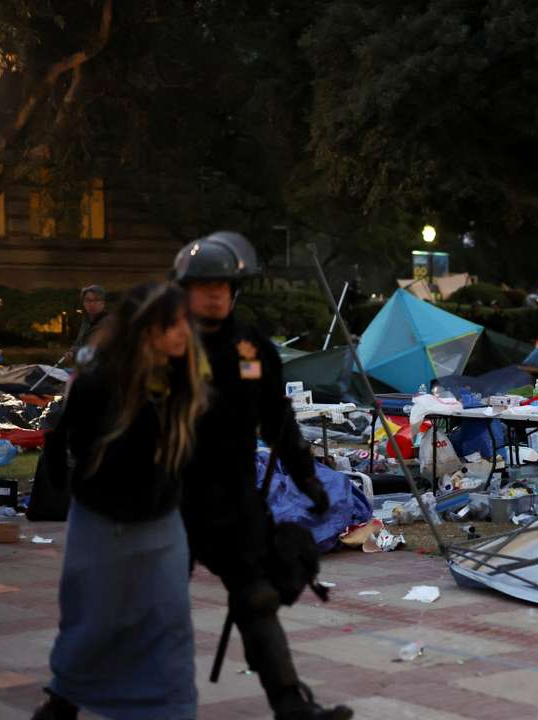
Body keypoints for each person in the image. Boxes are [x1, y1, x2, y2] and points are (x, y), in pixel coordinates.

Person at [172, 232, 350, 720]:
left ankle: (292, 706)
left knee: (257, 599)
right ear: (186, 288)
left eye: (224, 285)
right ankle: (70, 701)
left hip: (233, 497)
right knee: (150, 605)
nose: (215, 293)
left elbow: (277, 420)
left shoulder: (251, 346)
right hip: (171, 498)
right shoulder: (165, 343)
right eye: (204, 284)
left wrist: (307, 478)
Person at [34, 282, 208, 720]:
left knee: (169, 623)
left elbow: (194, 459)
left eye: (184, 324)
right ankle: (64, 699)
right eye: (171, 325)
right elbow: (69, 442)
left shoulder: (185, 381)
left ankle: (171, 709)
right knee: (94, 619)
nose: (181, 333)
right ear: (145, 329)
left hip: (162, 521)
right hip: (103, 519)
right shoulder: (100, 383)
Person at [64, 285, 108, 365]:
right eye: (88, 300)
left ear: (103, 303)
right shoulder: (86, 321)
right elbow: (79, 342)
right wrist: (71, 351)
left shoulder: (108, 323)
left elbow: (98, 351)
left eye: (96, 300)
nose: (91, 304)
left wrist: (75, 355)